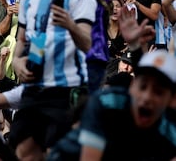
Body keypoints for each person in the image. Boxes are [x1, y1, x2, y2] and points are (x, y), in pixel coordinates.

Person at [11, 0, 97, 160]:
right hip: (35, 87)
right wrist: (17, 61)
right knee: (21, 151)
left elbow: (87, 44)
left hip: (66, 89)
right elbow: (27, 40)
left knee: (55, 153)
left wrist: (70, 25)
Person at [48, 50, 176, 160]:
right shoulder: (106, 103)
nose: (147, 97)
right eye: (142, 87)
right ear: (132, 87)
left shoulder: (170, 134)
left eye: (158, 92)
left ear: (172, 100)